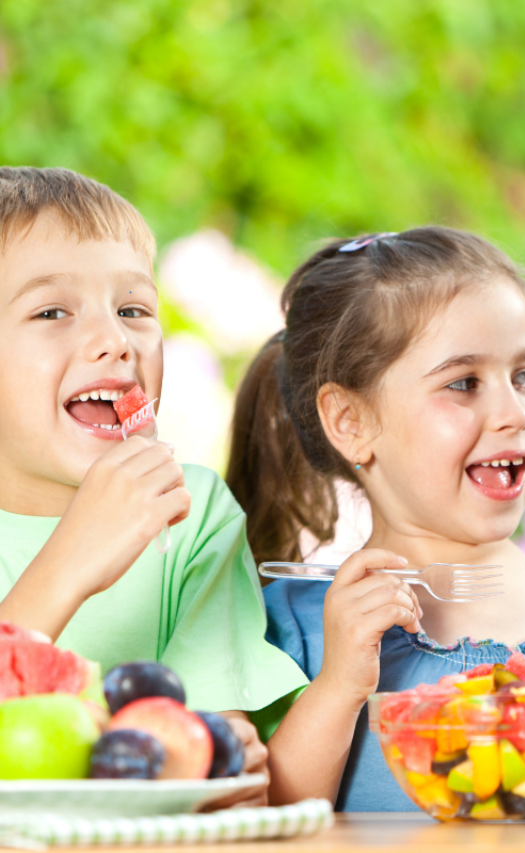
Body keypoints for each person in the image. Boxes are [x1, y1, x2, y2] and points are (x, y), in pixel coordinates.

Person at [227, 227, 525, 811]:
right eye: (463, 384)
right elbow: (270, 815)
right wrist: (340, 686)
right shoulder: (289, 632)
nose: (516, 412)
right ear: (349, 421)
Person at [0, 167, 307, 803]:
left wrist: (221, 754)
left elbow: (211, 756)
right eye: (52, 310)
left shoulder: (190, 515)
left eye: (134, 309)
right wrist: (69, 561)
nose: (115, 342)